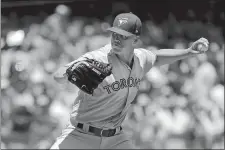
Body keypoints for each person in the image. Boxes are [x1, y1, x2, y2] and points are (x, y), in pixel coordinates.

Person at [50, 12, 209, 149]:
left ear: (135, 40)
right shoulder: (97, 58)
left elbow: (158, 56)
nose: (117, 40)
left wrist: (188, 52)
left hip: (115, 138)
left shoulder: (141, 58)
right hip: (81, 135)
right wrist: (67, 72)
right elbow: (58, 75)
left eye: (123, 36)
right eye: (114, 34)